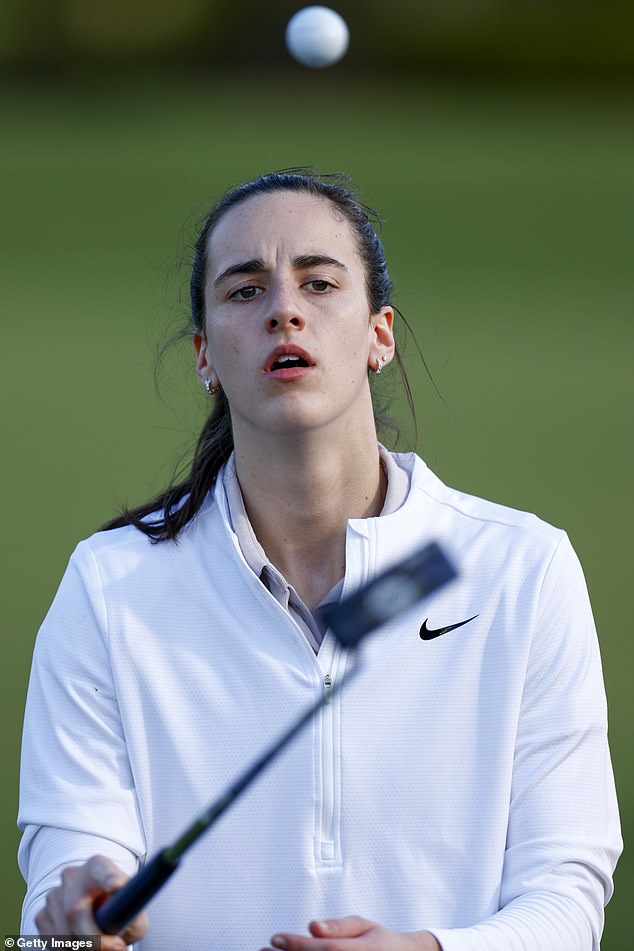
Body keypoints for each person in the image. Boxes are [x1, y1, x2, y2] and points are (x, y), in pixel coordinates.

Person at [18, 170, 621, 951]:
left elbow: (567, 900)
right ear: (205, 355)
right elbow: (65, 881)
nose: (284, 310)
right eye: (244, 292)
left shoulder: (522, 570)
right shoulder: (109, 586)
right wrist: (74, 914)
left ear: (380, 333)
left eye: (319, 282)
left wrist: (427, 950)